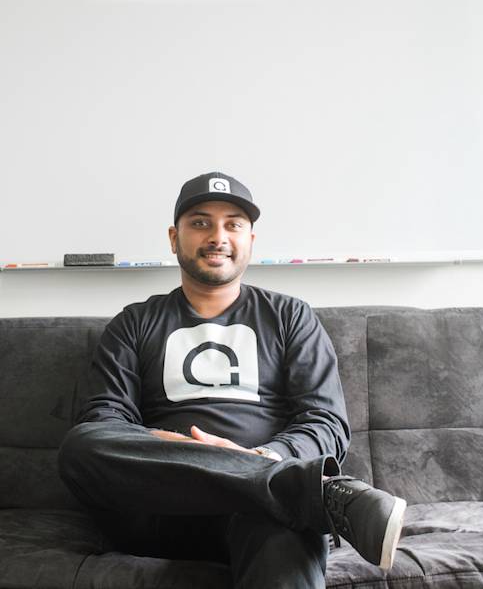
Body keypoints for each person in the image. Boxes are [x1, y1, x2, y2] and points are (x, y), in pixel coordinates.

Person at [58, 171, 406, 588]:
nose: (217, 236)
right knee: (82, 444)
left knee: (285, 529)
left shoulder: (290, 317)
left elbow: (325, 422)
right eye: (200, 222)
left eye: (233, 224)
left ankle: (281, 488)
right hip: (160, 508)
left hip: (261, 516)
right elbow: (105, 417)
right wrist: (173, 448)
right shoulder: (135, 322)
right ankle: (305, 491)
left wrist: (266, 456)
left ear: (251, 241)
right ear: (174, 238)